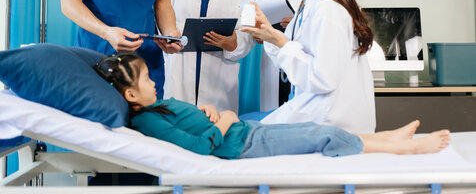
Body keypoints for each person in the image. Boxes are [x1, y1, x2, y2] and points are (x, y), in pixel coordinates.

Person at [94, 53, 450, 159]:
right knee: (318, 135)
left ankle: (387, 137)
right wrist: (227, 118)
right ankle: (405, 149)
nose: (153, 82)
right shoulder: (146, 123)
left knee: (317, 126)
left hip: (242, 132)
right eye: (145, 81)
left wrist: (208, 113)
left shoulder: (156, 107)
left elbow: (194, 126)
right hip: (241, 142)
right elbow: (200, 147)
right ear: (130, 97)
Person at [241, 0, 375, 133]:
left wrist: (281, 42)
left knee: (239, 133)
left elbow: (323, 78)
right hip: (315, 113)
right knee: (241, 127)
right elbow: (295, 57)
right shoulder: (309, 1)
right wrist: (270, 36)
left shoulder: (327, 9)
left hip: (329, 122)